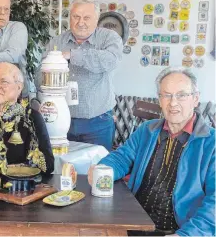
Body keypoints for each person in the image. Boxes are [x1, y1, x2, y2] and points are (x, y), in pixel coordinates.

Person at [88, 67, 215, 236]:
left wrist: (187, 234)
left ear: (195, 99)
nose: (173, 102)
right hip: (134, 222)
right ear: (159, 99)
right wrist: (103, 170)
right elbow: (122, 157)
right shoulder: (147, 130)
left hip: (178, 230)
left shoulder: (211, 143)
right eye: (166, 95)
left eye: (182, 95)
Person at [38, 0, 122, 151]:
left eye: (86, 17)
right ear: (70, 17)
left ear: (96, 19)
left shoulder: (109, 38)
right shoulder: (56, 42)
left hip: (98, 123)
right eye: (76, 16)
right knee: (61, 170)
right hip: (61, 121)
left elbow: (110, 60)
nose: (80, 22)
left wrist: (72, 54)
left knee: (97, 169)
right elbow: (40, 75)